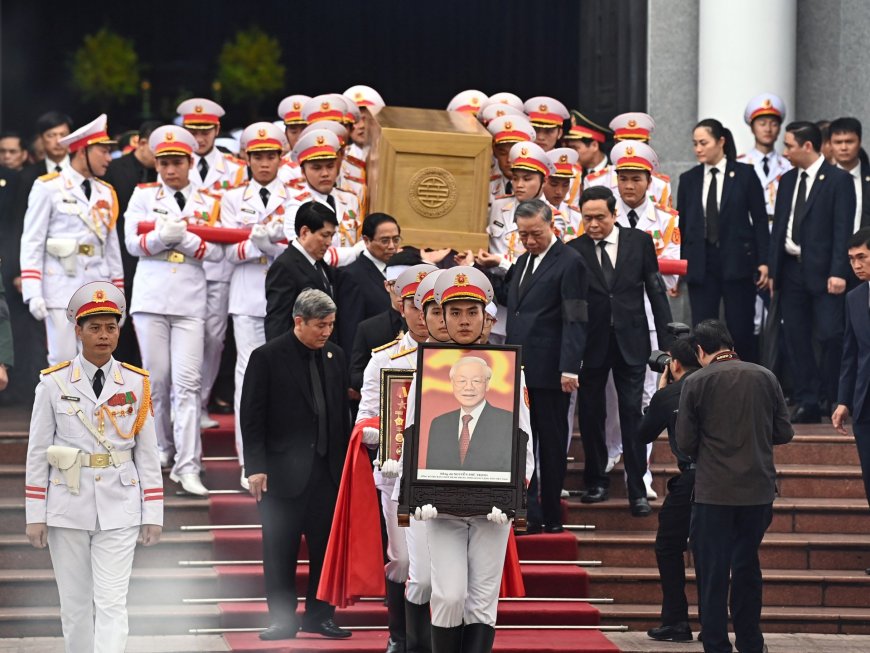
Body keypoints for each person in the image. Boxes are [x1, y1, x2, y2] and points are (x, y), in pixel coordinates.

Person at [24, 281, 163, 653]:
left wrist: (153, 512)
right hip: (67, 505)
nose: (104, 335)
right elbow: (38, 452)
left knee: (113, 602)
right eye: (95, 328)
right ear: (78, 331)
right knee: (75, 607)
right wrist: (35, 513)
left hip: (120, 502)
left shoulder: (136, 382)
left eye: (111, 327)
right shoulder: (52, 384)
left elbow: (147, 453)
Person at [411, 266, 534, 652]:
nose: (464, 321)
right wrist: (415, 493)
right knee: (447, 595)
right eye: (455, 313)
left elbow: (524, 439)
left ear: (486, 316)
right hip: (441, 506)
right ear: (442, 317)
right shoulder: (427, 369)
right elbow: (413, 435)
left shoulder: (509, 370)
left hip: (492, 506)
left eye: (472, 312)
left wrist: (514, 493)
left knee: (482, 600)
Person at [676, 319, 793, 653]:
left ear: (700, 350)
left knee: (712, 572)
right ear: (729, 344)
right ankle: (751, 641)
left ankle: (715, 642)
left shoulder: (695, 382)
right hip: (758, 491)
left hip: (714, 492)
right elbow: (785, 433)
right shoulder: (765, 376)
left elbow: (685, 441)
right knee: (747, 566)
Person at [241, 289, 352, 641]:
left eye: (331, 325)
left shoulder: (336, 355)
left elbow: (340, 414)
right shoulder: (267, 357)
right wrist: (255, 466)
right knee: (279, 549)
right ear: (298, 321)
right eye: (321, 325)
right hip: (279, 473)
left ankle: (320, 616)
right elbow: (251, 416)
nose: (327, 332)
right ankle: (282, 619)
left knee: (325, 550)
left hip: (327, 471)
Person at [123, 125, 223, 496]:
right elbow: (132, 242)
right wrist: (160, 238)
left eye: (177, 162)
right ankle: (161, 448)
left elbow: (220, 251)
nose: (169, 170)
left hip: (189, 300)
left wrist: (193, 242)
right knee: (157, 381)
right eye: (164, 163)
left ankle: (188, 465)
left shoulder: (210, 199)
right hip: (151, 298)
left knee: (188, 384)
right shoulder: (143, 194)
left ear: (189, 162)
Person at [567, 186, 672, 516]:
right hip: (591, 344)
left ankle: (637, 487)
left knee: (632, 412)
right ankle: (596, 481)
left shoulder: (638, 242)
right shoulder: (575, 250)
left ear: (614, 214)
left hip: (632, 340)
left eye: (600, 217)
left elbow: (656, 290)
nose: (594, 224)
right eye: (587, 218)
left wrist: (668, 343)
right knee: (592, 414)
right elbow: (572, 305)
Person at [355, 263, 437, 652]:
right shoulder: (384, 359)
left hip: (448, 473)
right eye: (414, 306)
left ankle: (437, 637)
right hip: (397, 474)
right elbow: (364, 423)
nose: (423, 315)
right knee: (403, 560)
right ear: (401, 307)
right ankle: (399, 635)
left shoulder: (459, 358)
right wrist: (390, 431)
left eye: (431, 306)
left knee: (442, 565)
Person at [498, 199, 588, 533]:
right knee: (522, 442)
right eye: (523, 235)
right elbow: (512, 300)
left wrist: (570, 367)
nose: (530, 241)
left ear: (551, 225)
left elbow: (576, 318)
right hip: (518, 366)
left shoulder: (570, 262)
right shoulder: (522, 261)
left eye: (535, 233)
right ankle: (527, 509)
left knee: (550, 442)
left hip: (551, 370)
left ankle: (550, 513)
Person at [19, 114, 125, 366]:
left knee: (98, 359)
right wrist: (33, 292)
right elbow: (32, 240)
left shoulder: (106, 191)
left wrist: (118, 292)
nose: (109, 158)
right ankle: (61, 408)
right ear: (82, 152)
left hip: (97, 284)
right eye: (103, 151)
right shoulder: (48, 187)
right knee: (62, 359)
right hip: (60, 285)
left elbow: (111, 246)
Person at [769, 121, 855, 422]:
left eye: (789, 145)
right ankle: (807, 399)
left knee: (832, 335)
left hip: (825, 272)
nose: (785, 151)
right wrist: (773, 268)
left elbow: (844, 228)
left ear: (807, 146)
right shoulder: (788, 180)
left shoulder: (838, 180)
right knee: (795, 335)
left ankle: (833, 395)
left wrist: (839, 271)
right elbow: (779, 225)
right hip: (791, 269)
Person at [222, 121, 292, 489]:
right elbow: (227, 250)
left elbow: (299, 245)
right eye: (257, 157)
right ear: (246, 159)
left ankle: (278, 456)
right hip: (248, 293)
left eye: (270, 156)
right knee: (246, 379)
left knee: (282, 379)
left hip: (284, 297)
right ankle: (247, 459)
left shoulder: (295, 196)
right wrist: (259, 245)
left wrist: (268, 246)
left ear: (281, 158)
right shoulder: (233, 198)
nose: (264, 163)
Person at [177, 98, 248, 430]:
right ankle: (185, 403)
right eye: (192, 131)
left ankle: (201, 401)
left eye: (205, 131)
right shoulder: (177, 162)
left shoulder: (235, 169)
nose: (199, 138)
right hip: (184, 264)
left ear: (216, 130)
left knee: (214, 338)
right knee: (188, 336)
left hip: (219, 264)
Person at [678, 119, 770, 361]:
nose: (698, 148)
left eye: (703, 143)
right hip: (701, 262)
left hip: (737, 261)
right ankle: (705, 381)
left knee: (740, 326)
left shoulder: (744, 174)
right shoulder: (689, 179)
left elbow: (760, 220)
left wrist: (764, 261)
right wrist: (679, 267)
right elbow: (682, 226)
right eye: (695, 144)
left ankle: (747, 378)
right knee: (703, 328)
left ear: (720, 141)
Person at [637, 338, 701, 643]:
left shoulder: (670, 394)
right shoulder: (715, 385)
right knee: (711, 550)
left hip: (690, 479)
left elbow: (643, 434)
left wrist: (661, 395)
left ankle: (676, 620)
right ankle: (712, 623)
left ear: (673, 364)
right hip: (724, 478)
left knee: (668, 546)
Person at [101, 120, 161, 367]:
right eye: (157, 149)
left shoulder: (165, 172)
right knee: (119, 321)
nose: (163, 159)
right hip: (123, 259)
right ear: (142, 143)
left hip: (156, 261)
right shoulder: (115, 169)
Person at [833, 228, 870, 513]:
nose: (856, 265)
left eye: (862, 257)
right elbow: (850, 353)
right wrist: (844, 400)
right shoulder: (854, 298)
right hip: (864, 405)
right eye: (851, 259)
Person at [425, 356, 515, 473]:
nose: (468, 387)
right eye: (462, 381)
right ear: (452, 383)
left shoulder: (507, 421)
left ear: (487, 384)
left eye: (476, 381)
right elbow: (431, 473)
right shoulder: (439, 424)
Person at [264, 201, 338, 341]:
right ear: (304, 232)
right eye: (324, 235)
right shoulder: (284, 267)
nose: (329, 242)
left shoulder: (321, 265)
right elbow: (277, 323)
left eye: (332, 236)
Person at [336, 213, 401, 358]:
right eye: (385, 241)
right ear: (366, 240)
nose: (392, 246)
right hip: (367, 359)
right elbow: (349, 330)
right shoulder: (352, 275)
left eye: (396, 240)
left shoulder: (396, 271)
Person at [586, 112, 673, 208]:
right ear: (615, 143)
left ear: (647, 145)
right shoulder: (595, 182)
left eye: (638, 143)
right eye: (626, 144)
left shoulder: (660, 184)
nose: (632, 148)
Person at [738, 93, 792, 220]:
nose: (768, 129)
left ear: (779, 129)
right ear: (752, 128)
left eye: (773, 124)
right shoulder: (739, 164)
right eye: (762, 124)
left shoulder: (788, 165)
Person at [485, 114, 536, 203]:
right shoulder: (485, 186)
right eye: (503, 153)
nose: (509, 160)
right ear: (495, 153)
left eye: (514, 154)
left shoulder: (535, 188)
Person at [276, 93, 311, 190]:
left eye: (304, 129)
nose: (299, 136)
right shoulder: (278, 168)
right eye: (293, 131)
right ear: (286, 134)